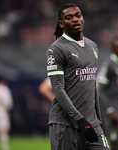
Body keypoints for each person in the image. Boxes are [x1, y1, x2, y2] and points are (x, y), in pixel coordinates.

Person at [46, 3, 110, 150]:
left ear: (83, 19)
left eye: (78, 15)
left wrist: (98, 119)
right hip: (66, 124)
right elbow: (58, 89)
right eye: (69, 18)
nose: (75, 19)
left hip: (91, 123)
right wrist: (80, 119)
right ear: (61, 24)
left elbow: (92, 84)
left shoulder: (92, 46)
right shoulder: (56, 49)